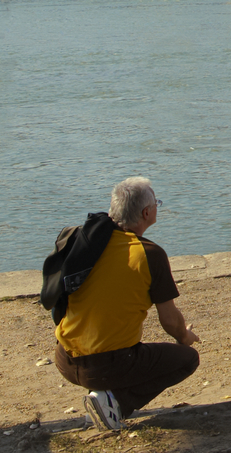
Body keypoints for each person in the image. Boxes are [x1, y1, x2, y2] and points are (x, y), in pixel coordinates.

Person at [48, 178, 199, 431]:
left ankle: (103, 398)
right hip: (105, 367)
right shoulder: (149, 254)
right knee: (187, 359)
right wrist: (184, 336)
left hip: (65, 358)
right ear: (147, 212)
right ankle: (114, 404)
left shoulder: (83, 241)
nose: (157, 208)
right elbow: (170, 321)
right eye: (156, 203)